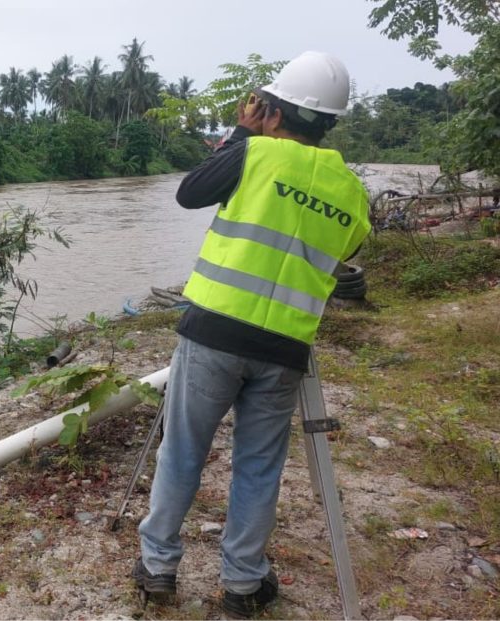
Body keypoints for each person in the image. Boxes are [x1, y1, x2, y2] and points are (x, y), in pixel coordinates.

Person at [132, 51, 371, 619]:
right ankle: (242, 584)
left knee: (183, 450)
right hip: (284, 347)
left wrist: (242, 129)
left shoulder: (253, 151)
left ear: (271, 107)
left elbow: (190, 193)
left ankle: (159, 567)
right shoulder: (353, 191)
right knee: (258, 466)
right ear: (330, 122)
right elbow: (347, 256)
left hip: (213, 332)